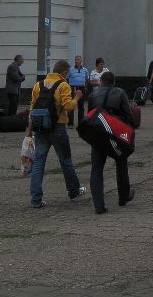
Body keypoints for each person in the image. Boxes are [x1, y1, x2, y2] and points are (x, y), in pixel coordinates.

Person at [26, 59, 87, 209]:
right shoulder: (63, 85)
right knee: (65, 160)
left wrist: (29, 129)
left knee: (39, 162)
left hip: (40, 128)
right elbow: (68, 106)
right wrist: (77, 97)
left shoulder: (38, 85)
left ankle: (36, 199)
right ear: (64, 72)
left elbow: (32, 108)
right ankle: (73, 191)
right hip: (58, 128)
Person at [87, 70, 136, 214]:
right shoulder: (120, 93)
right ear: (114, 82)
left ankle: (98, 205)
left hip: (98, 135)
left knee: (96, 168)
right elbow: (129, 115)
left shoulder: (92, 95)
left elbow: (89, 116)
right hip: (116, 135)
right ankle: (123, 197)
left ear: (101, 81)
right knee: (121, 164)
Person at [66, 55, 90, 126]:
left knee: (81, 106)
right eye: (76, 60)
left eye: (78, 60)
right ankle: (70, 124)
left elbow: (87, 79)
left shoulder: (85, 70)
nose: (77, 61)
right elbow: (67, 78)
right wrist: (68, 88)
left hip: (81, 88)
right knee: (71, 105)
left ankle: (80, 123)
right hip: (72, 88)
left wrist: (86, 87)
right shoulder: (70, 69)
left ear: (81, 61)